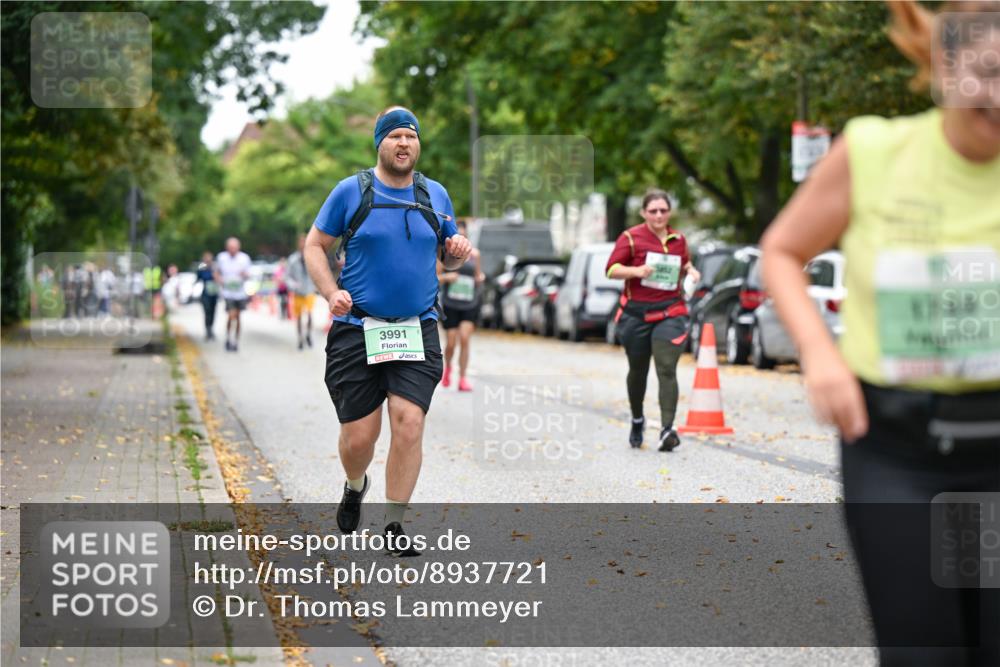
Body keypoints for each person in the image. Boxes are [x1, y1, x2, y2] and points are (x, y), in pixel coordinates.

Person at [761, 3, 999, 665]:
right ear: (945, 66)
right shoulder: (873, 151)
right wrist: (819, 353)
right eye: (991, 72)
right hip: (898, 452)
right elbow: (781, 251)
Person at [304, 105, 470, 554]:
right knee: (360, 438)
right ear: (379, 142)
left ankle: (394, 525)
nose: (403, 143)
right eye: (395, 136)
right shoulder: (350, 192)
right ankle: (355, 484)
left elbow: (449, 256)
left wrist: (456, 250)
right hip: (357, 328)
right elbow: (315, 245)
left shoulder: (435, 194)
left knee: (409, 421)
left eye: (411, 137)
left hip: (416, 328)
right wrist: (329, 292)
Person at [606, 190, 700, 452]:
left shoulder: (678, 239)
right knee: (638, 371)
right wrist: (636, 271)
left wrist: (691, 270)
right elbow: (611, 269)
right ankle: (638, 419)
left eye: (663, 210)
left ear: (669, 212)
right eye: (653, 211)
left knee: (667, 368)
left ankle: (667, 429)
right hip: (636, 314)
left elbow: (683, 263)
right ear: (644, 213)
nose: (658, 215)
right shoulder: (631, 238)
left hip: (670, 311)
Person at [437, 219, 483, 391]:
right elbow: (436, 277)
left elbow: (478, 276)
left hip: (470, 302)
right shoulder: (444, 254)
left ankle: (462, 378)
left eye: (464, 235)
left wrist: (480, 278)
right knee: (451, 342)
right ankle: (448, 368)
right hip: (451, 303)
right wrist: (448, 278)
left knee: (464, 338)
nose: (461, 238)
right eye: (459, 235)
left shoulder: (475, 255)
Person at [215, 237, 252, 352]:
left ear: (238, 247)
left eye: (234, 248)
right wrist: (220, 280)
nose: (232, 250)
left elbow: (249, 274)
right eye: (230, 248)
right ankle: (228, 338)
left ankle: (235, 341)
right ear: (227, 248)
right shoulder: (222, 258)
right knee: (231, 315)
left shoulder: (244, 258)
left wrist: (244, 274)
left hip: (240, 293)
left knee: (238, 317)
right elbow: (216, 272)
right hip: (228, 293)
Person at [287, 235, 317, 350]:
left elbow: (316, 273)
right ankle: (300, 338)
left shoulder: (312, 258)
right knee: (299, 316)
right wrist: (293, 285)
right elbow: (288, 276)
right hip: (298, 292)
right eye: (301, 243)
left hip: (309, 290)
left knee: (309, 314)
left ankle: (308, 334)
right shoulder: (293, 260)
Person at [196, 251, 219, 341]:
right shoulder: (202, 267)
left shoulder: (215, 266)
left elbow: (218, 277)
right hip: (206, 293)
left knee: (213, 312)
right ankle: (208, 330)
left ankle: (211, 329)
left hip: (214, 293)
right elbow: (199, 277)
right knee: (207, 312)